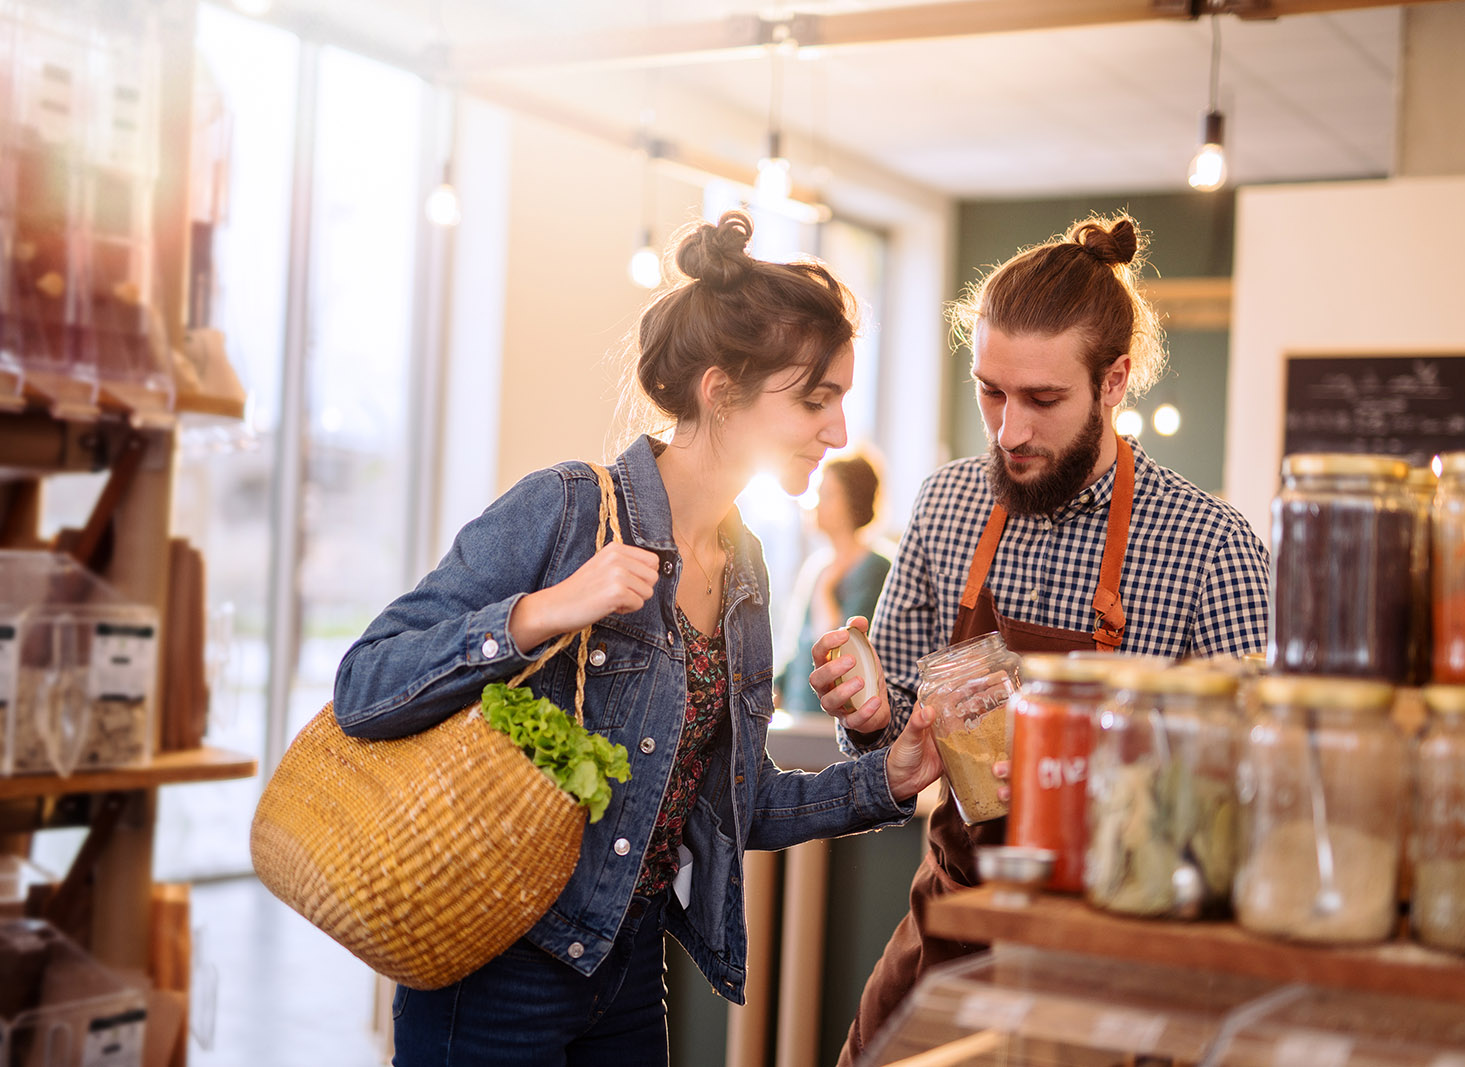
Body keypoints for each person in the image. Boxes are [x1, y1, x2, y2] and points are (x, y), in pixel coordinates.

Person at [332, 210, 946, 1067]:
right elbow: (363, 684)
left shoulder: (746, 569)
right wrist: (539, 613)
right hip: (494, 973)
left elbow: (738, 803)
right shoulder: (566, 509)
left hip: (624, 972)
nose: (839, 431)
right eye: (816, 398)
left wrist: (890, 776)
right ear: (720, 389)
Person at [808, 214, 1272, 1066]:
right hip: (959, 925)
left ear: (1115, 379)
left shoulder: (1211, 545)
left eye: (1044, 399)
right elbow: (902, 725)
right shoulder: (949, 506)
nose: (1009, 431)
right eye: (992, 390)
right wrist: (874, 712)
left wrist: (1106, 763)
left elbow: (1254, 787)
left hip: (1123, 956)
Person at [775, 452, 894, 711]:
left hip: (835, 721)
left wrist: (826, 591)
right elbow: (798, 650)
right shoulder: (817, 567)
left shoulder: (875, 569)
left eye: (827, 494)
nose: (815, 503)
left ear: (853, 503)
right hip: (799, 717)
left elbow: (838, 652)